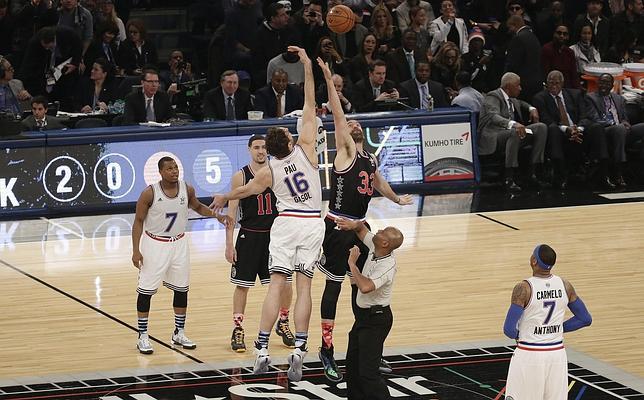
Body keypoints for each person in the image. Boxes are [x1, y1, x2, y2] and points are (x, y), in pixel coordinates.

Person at [211, 46, 324, 382]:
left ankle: (261, 349)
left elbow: (243, 192)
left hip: (285, 225)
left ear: (270, 149)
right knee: (303, 289)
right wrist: (306, 65)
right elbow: (309, 102)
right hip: (311, 224)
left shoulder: (268, 172)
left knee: (276, 285)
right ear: (289, 141)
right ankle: (300, 350)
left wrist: (223, 196)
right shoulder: (305, 148)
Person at [315, 57, 412, 382]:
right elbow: (338, 114)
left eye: (356, 123)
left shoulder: (368, 157)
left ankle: (365, 346)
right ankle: (326, 351)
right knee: (334, 288)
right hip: (338, 226)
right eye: (349, 122)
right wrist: (329, 79)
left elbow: (378, 180)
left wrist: (397, 199)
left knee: (366, 288)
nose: (352, 123)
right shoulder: (345, 151)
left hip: (360, 227)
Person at [131, 156, 230, 354]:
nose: (174, 171)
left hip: (179, 243)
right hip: (154, 244)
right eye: (169, 168)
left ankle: (179, 332)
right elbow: (138, 222)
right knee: (146, 291)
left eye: (176, 167)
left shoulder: (187, 189)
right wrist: (135, 250)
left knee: (182, 289)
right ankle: (142, 335)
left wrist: (217, 216)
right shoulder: (149, 193)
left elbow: (198, 206)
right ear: (160, 172)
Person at [225, 134, 295, 353]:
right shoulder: (241, 176)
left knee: (285, 283)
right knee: (242, 286)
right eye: (256, 147)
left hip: (276, 236)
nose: (261, 151)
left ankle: (283, 322)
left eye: (264, 147)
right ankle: (238, 328)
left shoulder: (278, 170)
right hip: (249, 235)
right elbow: (232, 211)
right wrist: (229, 244)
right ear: (249, 150)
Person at [503, 244, 592, 400]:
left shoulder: (524, 288)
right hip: (557, 355)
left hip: (530, 354)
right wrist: (557, 328)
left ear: (533, 261)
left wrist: (523, 333)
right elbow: (585, 319)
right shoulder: (565, 285)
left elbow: (509, 330)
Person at [335, 217, 403, 400]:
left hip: (376, 321)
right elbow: (361, 229)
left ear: (385, 243)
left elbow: (365, 287)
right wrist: (352, 224)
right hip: (364, 319)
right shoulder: (377, 247)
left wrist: (352, 264)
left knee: (368, 373)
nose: (378, 230)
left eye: (382, 231)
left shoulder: (387, 265)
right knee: (353, 367)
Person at [532, 70, 610, 190]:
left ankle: (602, 173)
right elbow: (547, 119)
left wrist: (578, 129)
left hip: (578, 131)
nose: (553, 86)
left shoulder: (575, 94)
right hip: (560, 132)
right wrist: (567, 129)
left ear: (562, 83)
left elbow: (584, 116)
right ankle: (560, 175)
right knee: (553, 129)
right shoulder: (540, 98)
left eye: (556, 83)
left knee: (597, 127)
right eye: (550, 83)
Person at [477, 72, 548, 193]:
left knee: (541, 127)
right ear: (508, 87)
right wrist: (513, 124)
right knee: (515, 132)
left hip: (510, 133)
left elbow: (521, 103)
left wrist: (532, 108)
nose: (520, 88)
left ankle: (534, 172)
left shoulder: (512, 98)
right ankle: (509, 178)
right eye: (518, 85)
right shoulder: (493, 96)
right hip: (494, 135)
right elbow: (493, 116)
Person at [587, 73, 644, 187]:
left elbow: (624, 118)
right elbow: (594, 118)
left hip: (622, 129)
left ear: (612, 85)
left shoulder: (619, 98)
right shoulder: (591, 97)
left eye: (607, 83)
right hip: (605, 131)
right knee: (619, 129)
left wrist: (625, 122)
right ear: (597, 83)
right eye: (602, 82)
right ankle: (618, 172)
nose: (604, 85)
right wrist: (615, 124)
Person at [504, 15, 543, 102]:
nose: (509, 30)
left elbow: (513, 64)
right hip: (536, 84)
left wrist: (505, 81)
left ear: (514, 25)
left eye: (509, 27)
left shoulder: (518, 38)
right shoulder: (533, 37)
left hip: (523, 86)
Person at [541, 25, 580, 89]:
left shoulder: (570, 52)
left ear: (568, 37)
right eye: (559, 33)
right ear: (554, 34)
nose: (561, 36)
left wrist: (578, 90)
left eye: (565, 34)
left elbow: (574, 75)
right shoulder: (546, 49)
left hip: (568, 89)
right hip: (552, 88)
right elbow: (545, 74)